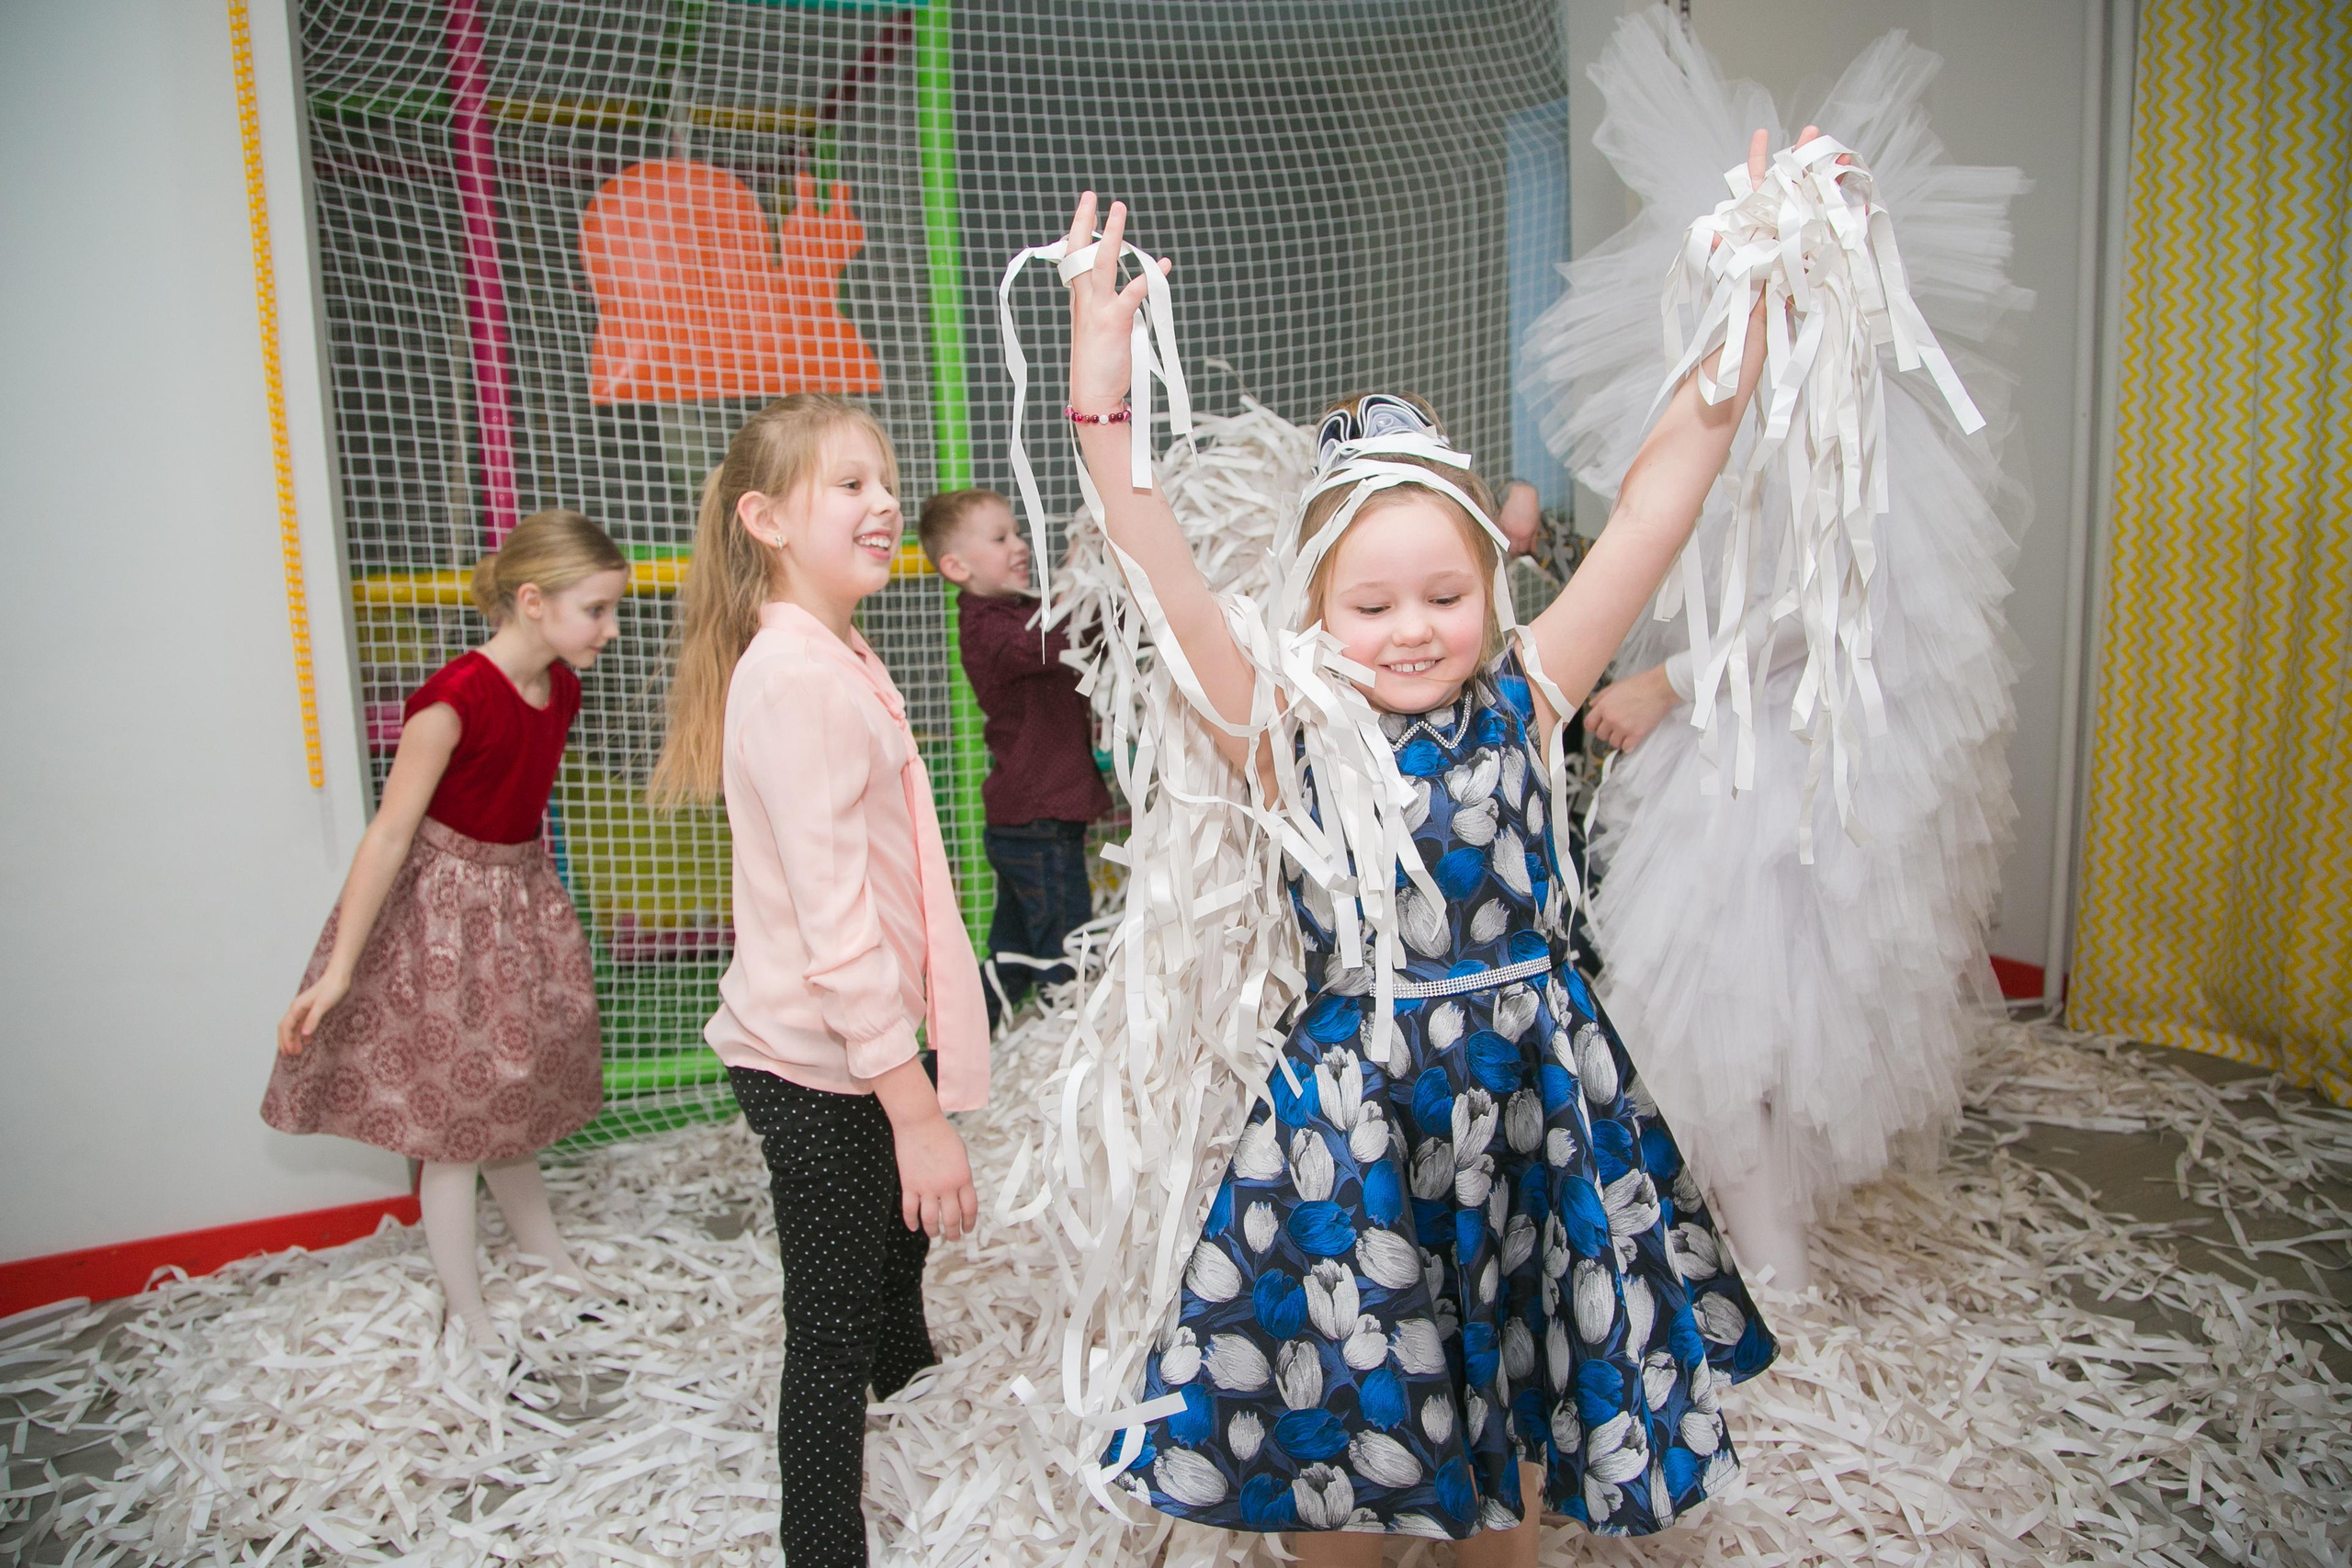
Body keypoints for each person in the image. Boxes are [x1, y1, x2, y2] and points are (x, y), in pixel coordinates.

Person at [1054, 141, 1799, 1560]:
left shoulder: (1528, 692)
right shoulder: (1282, 731)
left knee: (1511, 1420)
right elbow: (1148, 548)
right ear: (1316, 610)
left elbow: (1655, 504)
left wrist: (1738, 325)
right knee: (1350, 1435)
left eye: (1444, 593)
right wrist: (1103, 377)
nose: (1411, 628)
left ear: (1491, 584)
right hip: (1360, 1123)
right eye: (1373, 602)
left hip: (1530, 1095)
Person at [1530, 16, 2025, 1297]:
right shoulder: (1741, 407)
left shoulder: (1848, 428)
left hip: (1786, 747)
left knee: (1747, 997)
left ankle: (1779, 1264)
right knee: (1735, 1004)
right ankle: (1758, 1240)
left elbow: (1825, 598)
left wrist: (1666, 680)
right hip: (1753, 735)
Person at [648, 393, 989, 1568]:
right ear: (766, 520)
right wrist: (917, 1114)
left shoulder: (836, 648)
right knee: (834, 1326)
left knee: (897, 1274)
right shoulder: (793, 677)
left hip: (873, 1043)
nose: (883, 501)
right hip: (824, 1063)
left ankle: (923, 1442)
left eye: (883, 478)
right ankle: (822, 1546)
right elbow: (835, 931)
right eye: (847, 484)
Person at [263, 508, 626, 1347]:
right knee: (455, 1123)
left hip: (516, 907)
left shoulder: (560, 687)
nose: (609, 630)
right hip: (442, 924)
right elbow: (389, 834)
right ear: (533, 601)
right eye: (596, 610)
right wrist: (340, 970)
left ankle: (549, 1259)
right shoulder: (452, 700)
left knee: (511, 1101)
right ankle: (468, 1309)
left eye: (612, 611)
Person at [919, 486, 1112, 1024]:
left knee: (1010, 959)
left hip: (1030, 821)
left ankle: (955, 1057)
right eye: (1001, 538)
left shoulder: (1013, 613)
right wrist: (1080, 574)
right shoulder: (989, 628)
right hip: (1035, 823)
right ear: (957, 566)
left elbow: (1078, 631)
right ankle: (1066, 1052)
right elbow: (1051, 639)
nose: (1020, 546)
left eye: (1018, 533)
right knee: (1064, 953)